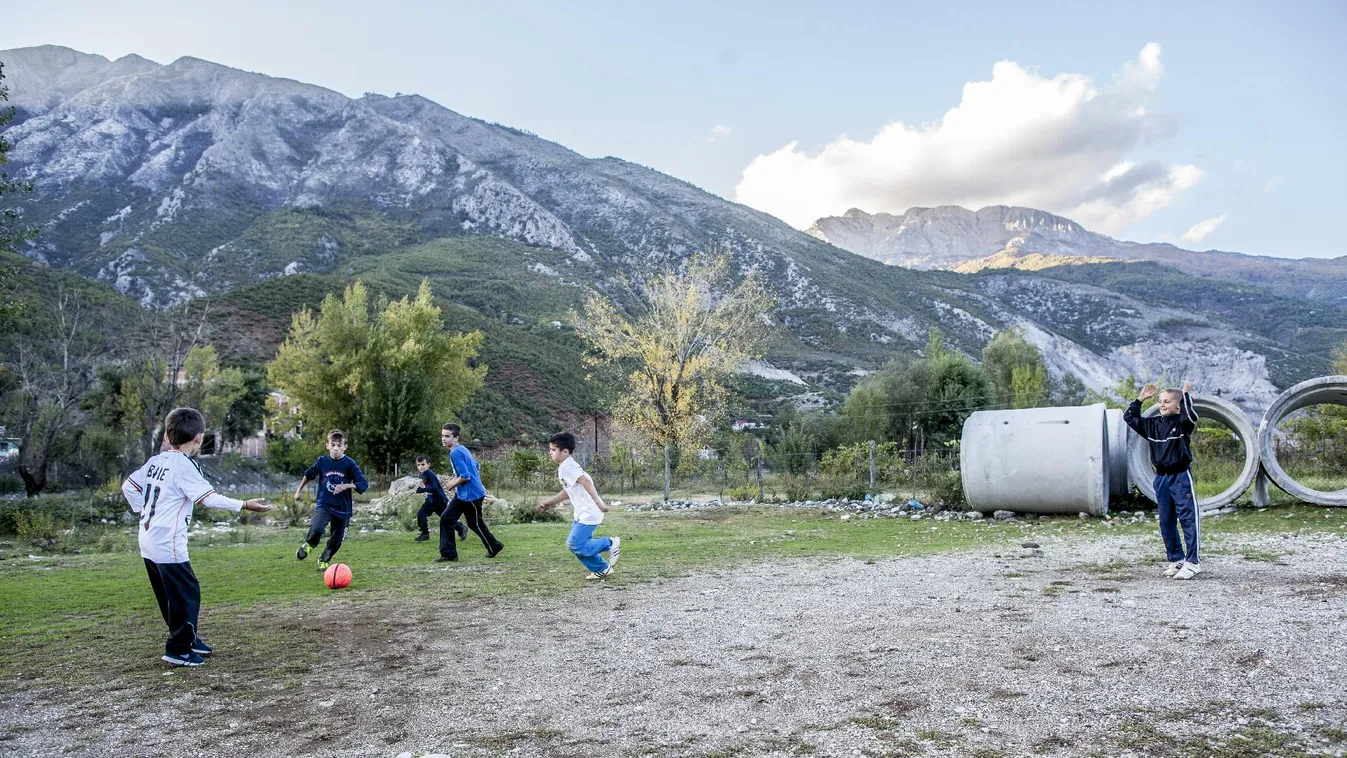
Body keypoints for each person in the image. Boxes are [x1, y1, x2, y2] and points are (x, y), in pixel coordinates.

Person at [121, 407, 273, 666]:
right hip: (167, 542)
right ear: (199, 438)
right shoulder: (184, 465)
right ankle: (178, 649)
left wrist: (142, 510)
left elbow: (129, 486)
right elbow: (208, 498)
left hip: (147, 539)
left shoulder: (156, 461)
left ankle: (187, 639)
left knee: (170, 596)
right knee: (187, 593)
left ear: (168, 436)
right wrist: (245, 504)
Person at [1124, 381, 1203, 580]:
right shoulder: (1152, 425)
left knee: (1187, 518)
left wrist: (1185, 395)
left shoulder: (1183, 423)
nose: (1162, 404)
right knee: (1166, 521)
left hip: (1180, 477)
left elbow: (1190, 415)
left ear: (1178, 406)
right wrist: (1140, 399)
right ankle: (1176, 559)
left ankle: (1192, 562)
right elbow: (1129, 417)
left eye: (1167, 401)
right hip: (1161, 479)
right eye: (1160, 401)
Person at [536, 431, 621, 580]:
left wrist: (599, 504)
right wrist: (548, 504)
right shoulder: (565, 466)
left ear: (565, 451)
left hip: (590, 512)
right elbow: (568, 491)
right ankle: (602, 569)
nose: (550, 452)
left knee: (574, 544)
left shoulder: (568, 467)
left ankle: (610, 542)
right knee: (579, 546)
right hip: (581, 513)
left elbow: (585, 482)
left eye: (553, 450)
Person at [294, 429, 368, 571]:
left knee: (337, 540)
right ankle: (310, 544)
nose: (336, 448)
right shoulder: (322, 462)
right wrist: (298, 491)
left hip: (343, 508)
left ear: (345, 446)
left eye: (339, 445)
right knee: (317, 528)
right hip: (325, 504)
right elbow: (308, 474)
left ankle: (324, 559)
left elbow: (363, 485)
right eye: (333, 444)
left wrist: (345, 486)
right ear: (327, 445)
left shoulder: (349, 464)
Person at [436, 423, 504, 562]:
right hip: (463, 495)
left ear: (456, 438)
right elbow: (476, 465)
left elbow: (466, 475)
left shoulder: (455, 452)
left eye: (447, 436)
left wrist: (452, 484)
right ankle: (449, 554)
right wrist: (456, 479)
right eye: (442, 436)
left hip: (471, 495)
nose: (444, 439)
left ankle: (494, 546)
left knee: (475, 524)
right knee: (446, 518)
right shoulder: (461, 449)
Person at [414, 454, 467, 542]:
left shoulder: (430, 474)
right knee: (421, 514)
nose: (421, 467)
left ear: (428, 464)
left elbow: (434, 488)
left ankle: (461, 528)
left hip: (439, 501)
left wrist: (422, 490)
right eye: (418, 465)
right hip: (430, 500)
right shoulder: (424, 474)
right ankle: (425, 533)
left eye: (423, 464)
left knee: (446, 519)